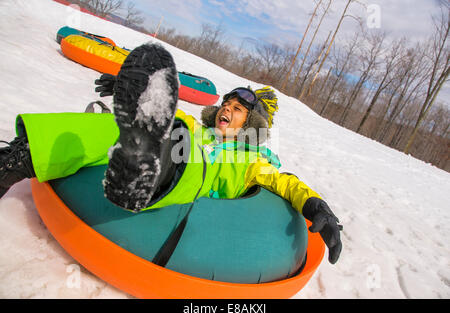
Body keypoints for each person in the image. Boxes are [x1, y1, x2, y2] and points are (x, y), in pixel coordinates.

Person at [0, 43, 342, 264]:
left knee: (183, 152)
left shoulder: (253, 161)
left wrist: (316, 206)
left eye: (237, 110)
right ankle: (21, 157)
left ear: (250, 124)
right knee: (168, 124)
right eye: (226, 104)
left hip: (191, 183)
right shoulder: (195, 127)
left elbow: (287, 184)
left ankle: (145, 171)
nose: (226, 110)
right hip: (173, 147)